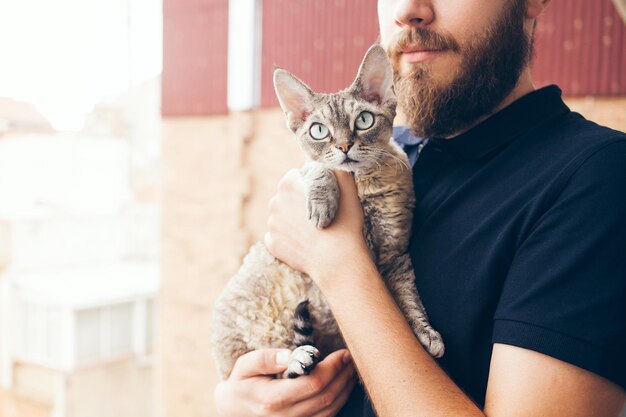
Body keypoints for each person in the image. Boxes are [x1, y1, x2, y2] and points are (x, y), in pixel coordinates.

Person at [214, 0, 626, 415]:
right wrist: (239, 401)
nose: (408, 9)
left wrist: (338, 262)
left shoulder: (598, 177)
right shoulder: (384, 153)